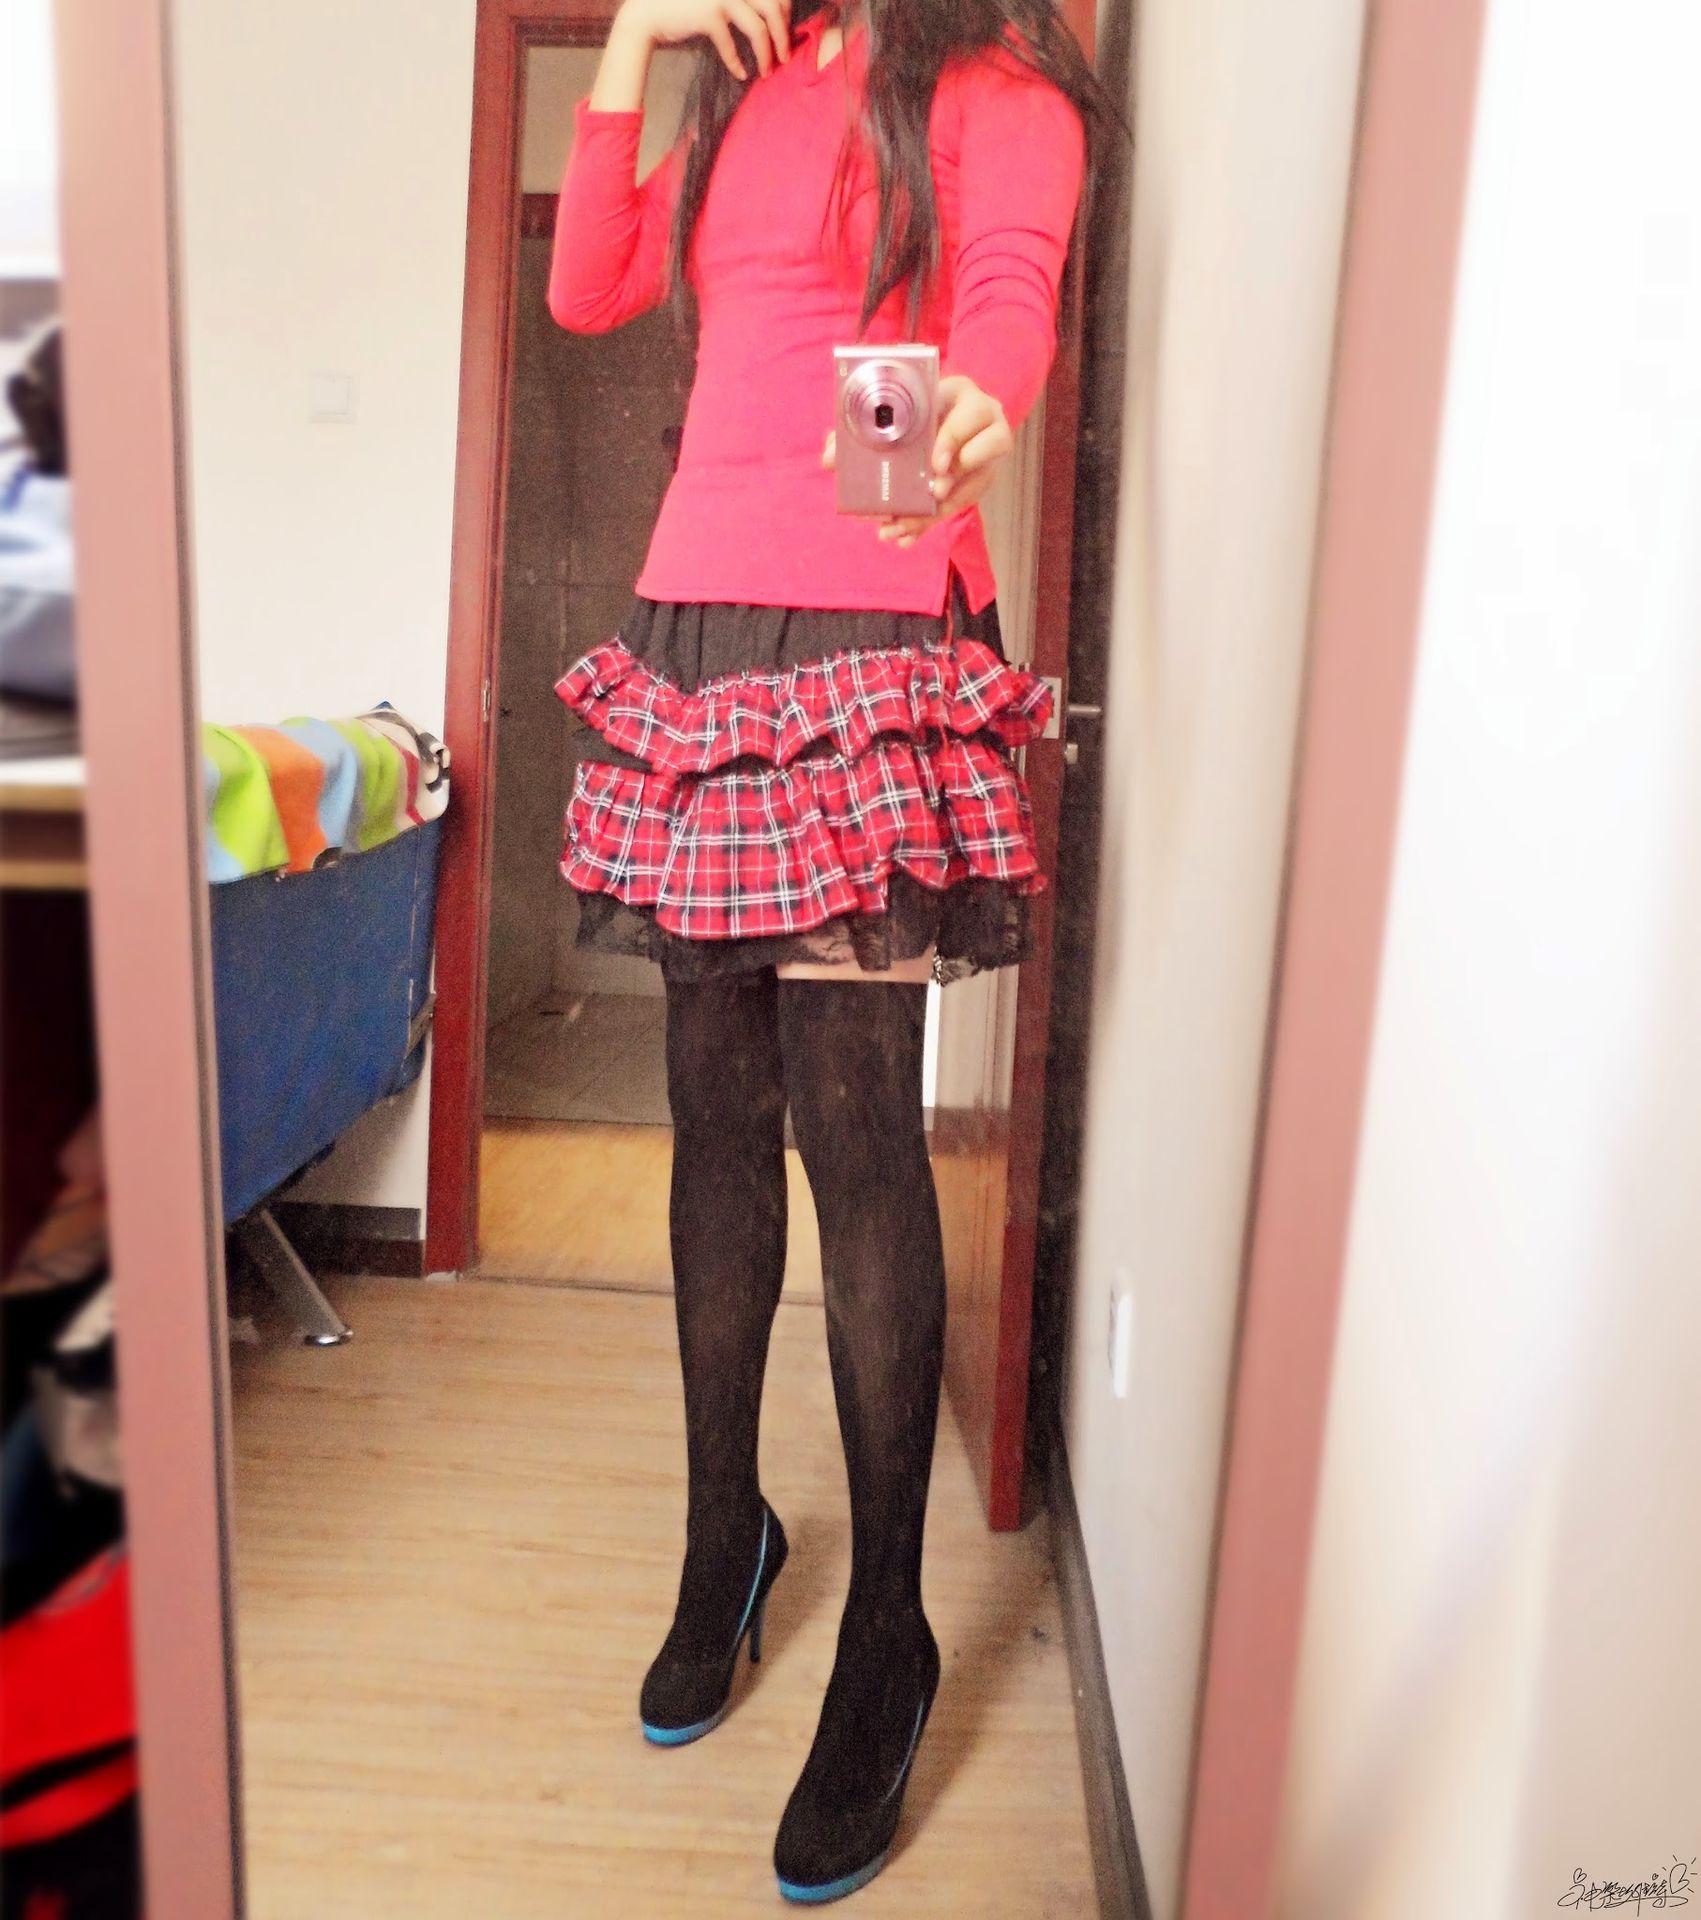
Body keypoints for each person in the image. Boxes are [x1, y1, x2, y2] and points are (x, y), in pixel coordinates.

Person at [548, 0, 1111, 1899]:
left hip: (868, 615)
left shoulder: (996, 78)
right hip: (696, 617)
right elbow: (589, 286)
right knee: (710, 1106)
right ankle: (725, 1536)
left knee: (853, 1124)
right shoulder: (740, 76)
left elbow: (1008, 290)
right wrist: (636, 36)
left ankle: (887, 1630)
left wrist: (983, 401)